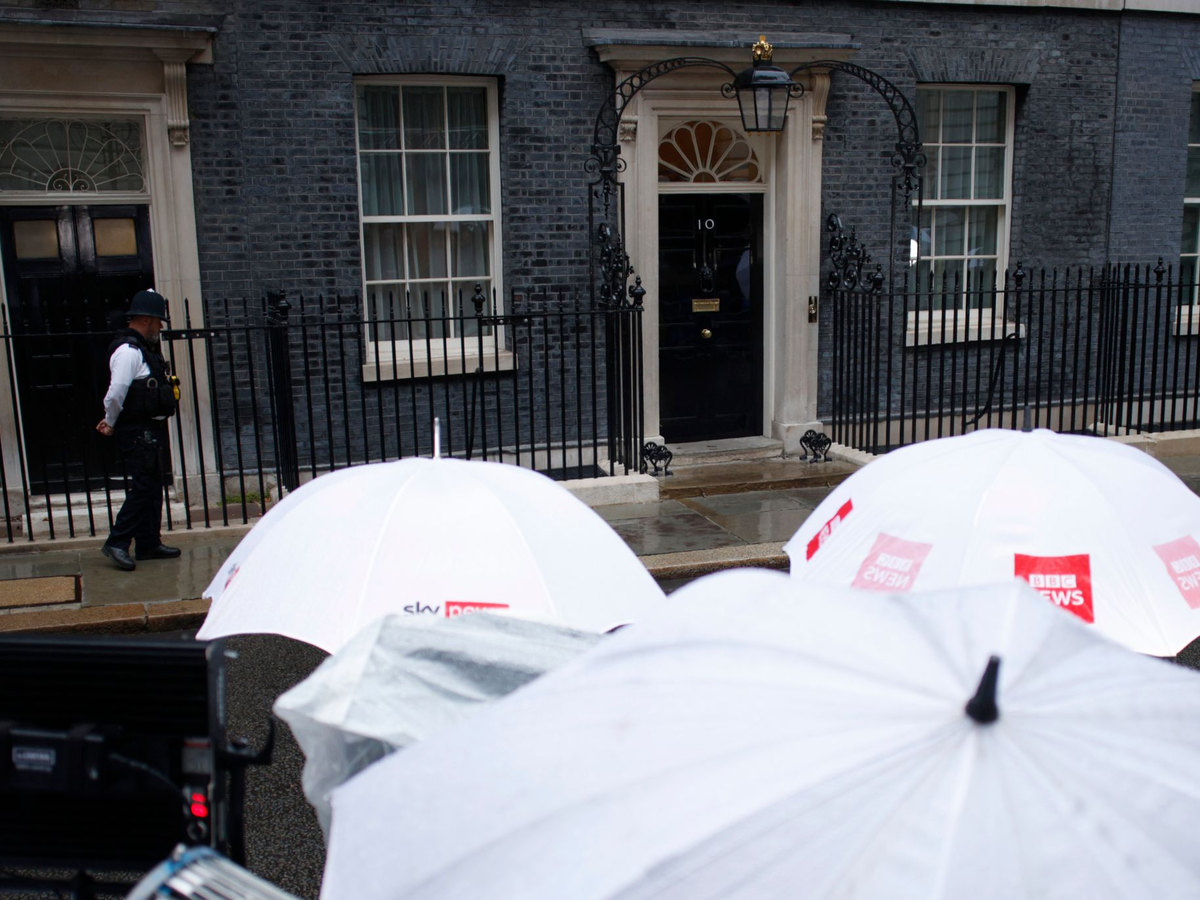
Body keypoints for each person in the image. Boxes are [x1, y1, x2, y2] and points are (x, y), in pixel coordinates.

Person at [96, 289, 182, 571]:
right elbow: (116, 392)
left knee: (153, 486)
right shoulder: (128, 352)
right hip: (136, 431)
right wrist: (110, 421)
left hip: (150, 429)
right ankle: (117, 542)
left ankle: (148, 543)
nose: (159, 328)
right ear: (146, 320)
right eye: (158, 322)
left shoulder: (144, 350)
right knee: (144, 487)